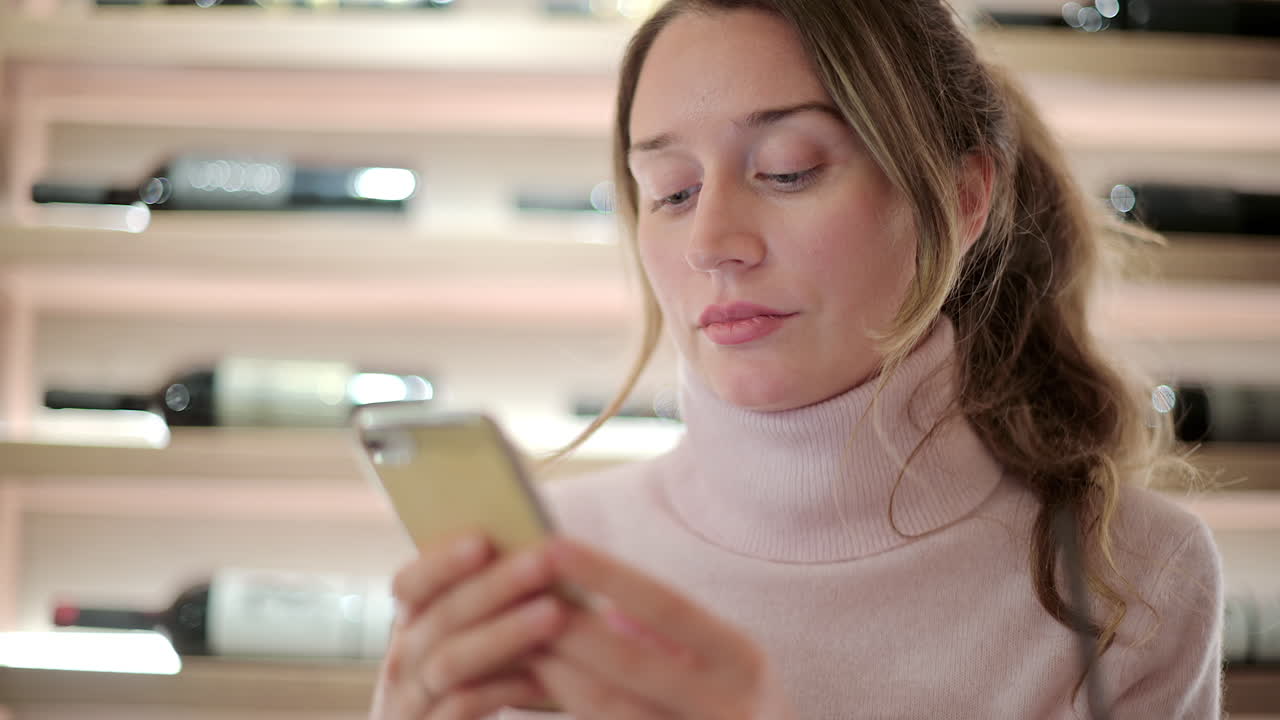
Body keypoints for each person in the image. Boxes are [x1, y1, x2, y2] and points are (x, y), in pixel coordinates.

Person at [372, 0, 1224, 718]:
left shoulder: (1135, 583)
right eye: (671, 191)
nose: (712, 243)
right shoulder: (550, 571)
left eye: (787, 170)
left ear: (962, 199)